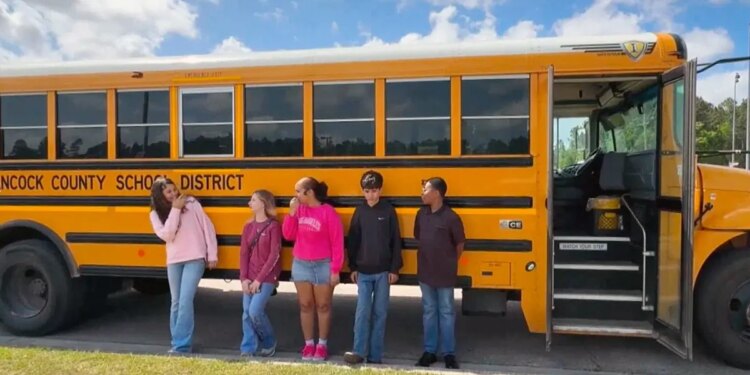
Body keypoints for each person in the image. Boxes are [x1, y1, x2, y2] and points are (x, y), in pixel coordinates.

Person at [149, 177, 218, 354]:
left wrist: (212, 254)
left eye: (174, 189)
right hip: (174, 260)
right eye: (168, 192)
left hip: (195, 258)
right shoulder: (155, 213)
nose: (173, 194)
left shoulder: (192, 203)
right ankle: (177, 342)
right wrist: (175, 210)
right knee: (176, 302)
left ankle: (182, 345)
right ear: (160, 195)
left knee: (186, 301)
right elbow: (167, 235)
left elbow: (207, 227)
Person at [343, 170, 402, 365]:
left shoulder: (388, 211)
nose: (371, 195)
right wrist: (352, 267)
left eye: (374, 190)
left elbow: (395, 241)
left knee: (380, 313)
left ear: (380, 190)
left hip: (384, 272)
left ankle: (375, 356)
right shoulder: (360, 212)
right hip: (363, 272)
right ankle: (359, 351)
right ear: (362, 191)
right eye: (367, 191)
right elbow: (353, 241)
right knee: (362, 312)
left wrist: (394, 269)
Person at [282, 177, 344, 361]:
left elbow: (337, 243)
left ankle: (322, 344)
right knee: (305, 305)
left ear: (309, 193)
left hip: (323, 263)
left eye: (298, 191)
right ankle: (309, 344)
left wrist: (335, 269)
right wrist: (291, 214)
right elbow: (288, 234)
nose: (296, 195)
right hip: (301, 263)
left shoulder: (328, 212)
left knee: (323, 305)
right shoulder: (299, 210)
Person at [413, 177, 465, 369]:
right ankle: (429, 351)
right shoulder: (421, 214)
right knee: (429, 311)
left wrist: (448, 261)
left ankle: (449, 353)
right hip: (425, 272)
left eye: (425, 190)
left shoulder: (451, 217)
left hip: (445, 274)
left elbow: (459, 244)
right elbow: (418, 236)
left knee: (446, 312)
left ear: (437, 193)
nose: (422, 193)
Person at [239, 189, 282, 357]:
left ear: (263, 203)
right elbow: (243, 253)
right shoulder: (248, 227)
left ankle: (269, 341)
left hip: (266, 277)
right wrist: (244, 278)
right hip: (250, 276)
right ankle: (247, 348)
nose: (250, 203)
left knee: (255, 311)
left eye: (254, 200)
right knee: (246, 313)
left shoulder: (273, 226)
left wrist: (258, 280)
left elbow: (274, 255)